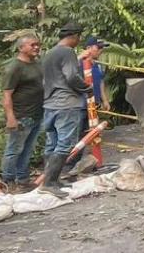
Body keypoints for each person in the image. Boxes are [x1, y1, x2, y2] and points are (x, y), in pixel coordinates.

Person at [38, 22, 91, 197]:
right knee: (64, 144)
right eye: (79, 37)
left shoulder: (49, 53)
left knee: (52, 143)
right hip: (66, 104)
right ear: (74, 36)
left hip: (50, 104)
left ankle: (51, 180)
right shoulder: (67, 52)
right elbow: (71, 76)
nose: (79, 41)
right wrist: (87, 88)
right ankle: (49, 182)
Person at [0, 31, 43, 192]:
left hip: (36, 114)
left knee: (27, 149)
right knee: (14, 149)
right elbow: (6, 95)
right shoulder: (14, 68)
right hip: (21, 116)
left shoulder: (37, 64)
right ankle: (8, 180)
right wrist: (11, 118)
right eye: (32, 45)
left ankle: (23, 179)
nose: (36, 47)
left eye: (38, 44)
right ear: (21, 48)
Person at [65, 36, 110, 173]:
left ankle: (89, 163)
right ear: (89, 48)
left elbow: (100, 82)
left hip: (93, 105)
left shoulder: (98, 64)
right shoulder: (78, 63)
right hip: (79, 105)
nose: (100, 51)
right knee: (76, 135)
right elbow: (67, 74)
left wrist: (104, 100)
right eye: (98, 48)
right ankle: (68, 165)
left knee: (91, 135)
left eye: (102, 48)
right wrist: (80, 57)